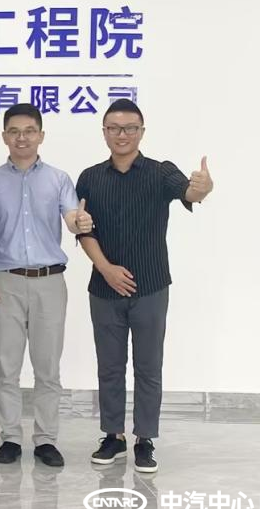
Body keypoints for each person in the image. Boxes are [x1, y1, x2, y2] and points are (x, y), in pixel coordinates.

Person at [76, 98, 213, 473]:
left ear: (141, 132)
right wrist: (106, 269)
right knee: (109, 366)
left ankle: (145, 440)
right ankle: (113, 436)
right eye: (114, 128)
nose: (121, 135)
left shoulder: (160, 172)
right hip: (104, 288)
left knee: (149, 367)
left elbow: (189, 193)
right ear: (104, 132)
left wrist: (203, 188)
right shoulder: (90, 177)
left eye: (130, 128)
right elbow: (83, 230)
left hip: (150, 286)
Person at [0, 103, 93, 468]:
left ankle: (46, 440)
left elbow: (71, 217)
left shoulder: (58, 179)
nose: (22, 138)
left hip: (49, 282)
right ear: (4, 137)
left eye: (29, 131)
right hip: (5, 282)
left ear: (41, 135)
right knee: (6, 366)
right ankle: (11, 437)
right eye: (14, 131)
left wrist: (79, 221)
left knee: (48, 368)